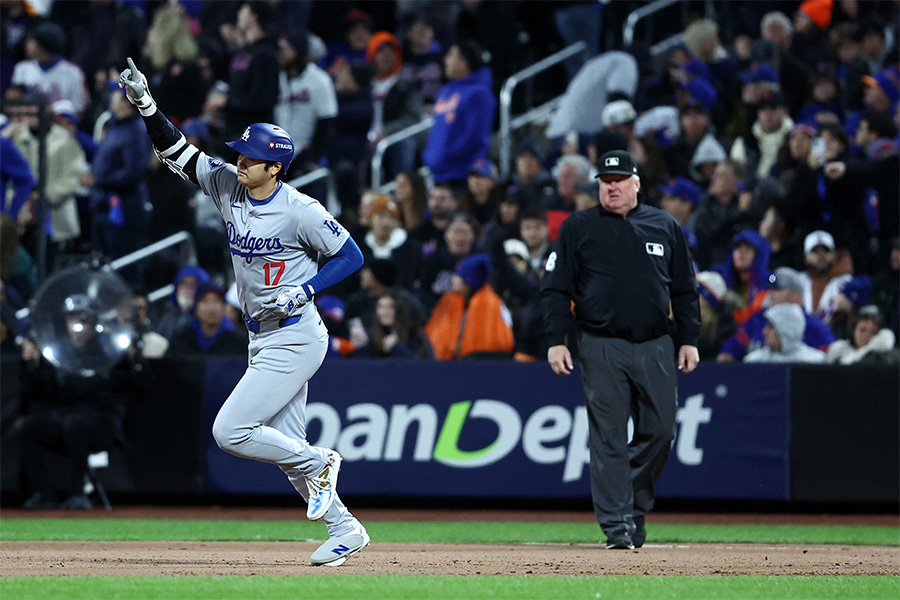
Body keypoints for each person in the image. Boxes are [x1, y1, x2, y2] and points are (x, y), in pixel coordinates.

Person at [118, 57, 368, 566]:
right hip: (263, 335)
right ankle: (345, 528)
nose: (240, 163)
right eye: (240, 155)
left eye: (251, 159)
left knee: (231, 431)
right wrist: (147, 105)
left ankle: (323, 460)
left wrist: (305, 291)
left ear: (275, 167)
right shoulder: (228, 186)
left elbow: (351, 256)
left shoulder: (300, 209)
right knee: (286, 448)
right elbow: (178, 151)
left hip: (296, 333)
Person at [541, 150, 700, 550]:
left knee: (661, 431)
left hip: (656, 343)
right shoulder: (579, 227)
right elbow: (556, 288)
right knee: (608, 437)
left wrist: (689, 338)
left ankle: (632, 504)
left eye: (619, 179)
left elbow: (684, 289)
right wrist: (557, 340)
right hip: (600, 342)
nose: (611, 186)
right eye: (605, 180)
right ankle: (617, 525)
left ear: (636, 184)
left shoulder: (664, 226)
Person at [716, 266, 834, 362]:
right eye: (770, 289)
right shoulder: (757, 319)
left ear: (796, 295)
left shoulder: (814, 327)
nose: (770, 294)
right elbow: (726, 355)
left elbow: (831, 361)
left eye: (778, 289)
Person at [425, 253, 514, 360]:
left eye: (458, 277)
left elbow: (491, 343)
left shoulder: (489, 304)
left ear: (468, 282)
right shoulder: (449, 300)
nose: (453, 279)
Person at [167, 283, 248, 356]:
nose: (211, 308)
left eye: (216, 301)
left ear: (224, 307)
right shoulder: (182, 338)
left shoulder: (239, 341)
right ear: (196, 307)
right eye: (205, 301)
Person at [744, 303, 827, 364]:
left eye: (770, 327)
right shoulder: (754, 361)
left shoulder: (816, 362)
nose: (764, 331)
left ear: (786, 330)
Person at [826, 305, 898, 365]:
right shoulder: (839, 352)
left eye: (873, 332)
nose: (866, 335)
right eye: (862, 330)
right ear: (854, 330)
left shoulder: (883, 357)